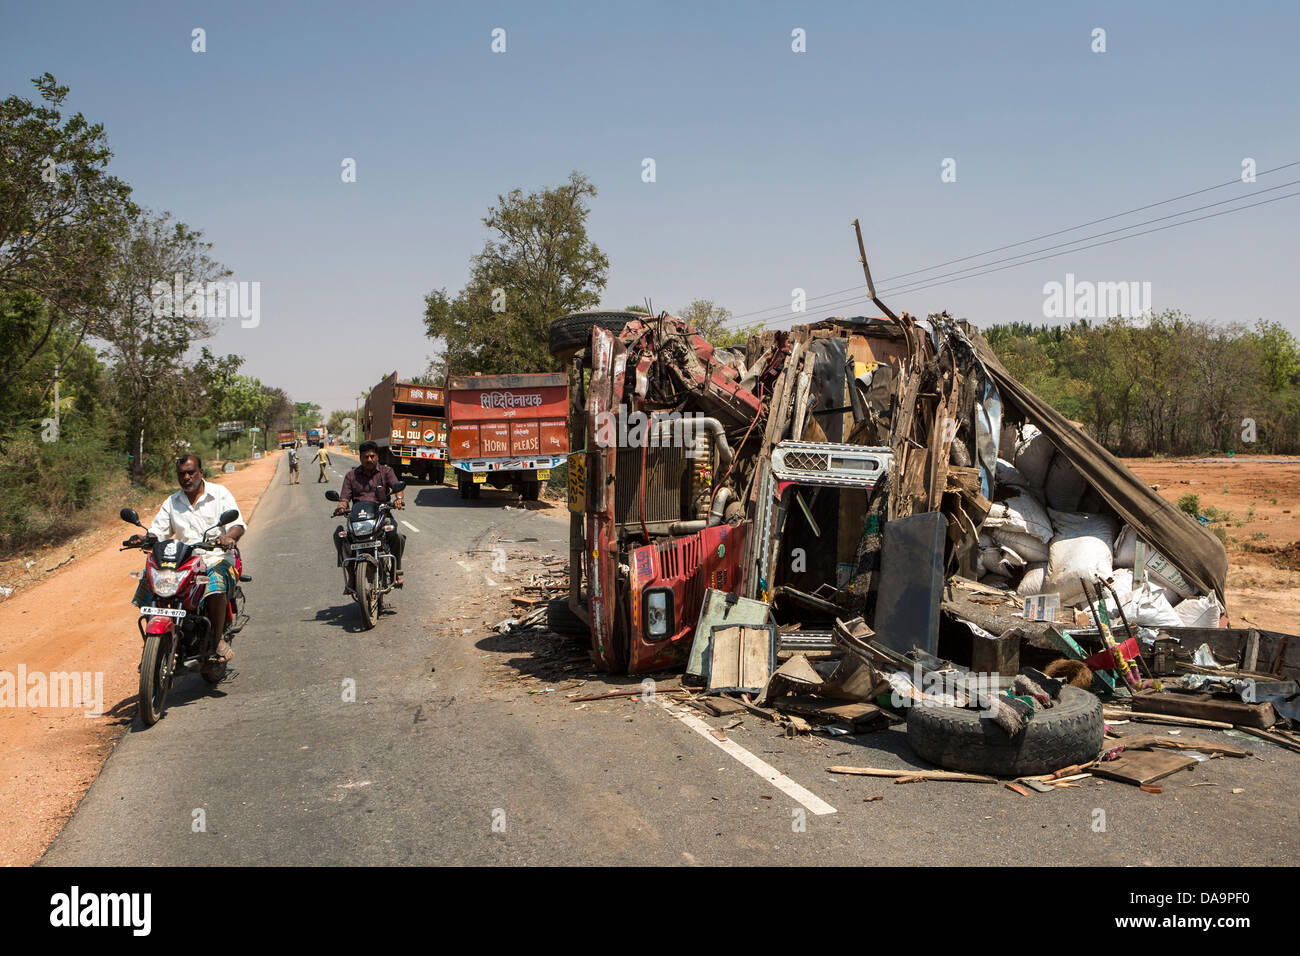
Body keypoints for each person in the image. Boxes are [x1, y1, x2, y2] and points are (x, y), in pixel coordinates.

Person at [127, 455, 245, 662]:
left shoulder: (219, 494)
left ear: (201, 473)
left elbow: (237, 525)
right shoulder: (172, 502)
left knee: (215, 583)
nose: (187, 477)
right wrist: (145, 538)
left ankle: (217, 639)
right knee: (148, 582)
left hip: (215, 557)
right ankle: (154, 645)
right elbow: (159, 531)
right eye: (182, 474)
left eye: (191, 472)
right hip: (183, 560)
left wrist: (228, 537)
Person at [332, 440, 405, 589]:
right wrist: (341, 506)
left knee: (396, 535)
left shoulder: (386, 472)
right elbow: (344, 498)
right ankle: (352, 576)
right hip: (358, 519)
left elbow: (397, 487)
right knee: (340, 536)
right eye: (366, 456)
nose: (369, 459)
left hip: (381, 516)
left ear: (377, 457)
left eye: (372, 456)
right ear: (360, 458)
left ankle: (395, 572)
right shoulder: (351, 476)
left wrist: (399, 499)